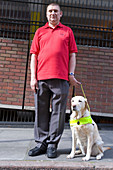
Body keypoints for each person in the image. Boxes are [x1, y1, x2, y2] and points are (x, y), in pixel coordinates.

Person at [28, 3, 81, 158]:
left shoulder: (67, 31)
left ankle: (52, 144)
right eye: (50, 11)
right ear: (46, 14)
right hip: (41, 77)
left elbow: (72, 54)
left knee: (58, 113)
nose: (53, 13)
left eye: (55, 11)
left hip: (61, 78)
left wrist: (71, 74)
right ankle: (41, 143)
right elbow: (34, 56)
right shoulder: (39, 32)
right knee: (41, 112)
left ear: (60, 14)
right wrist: (33, 77)